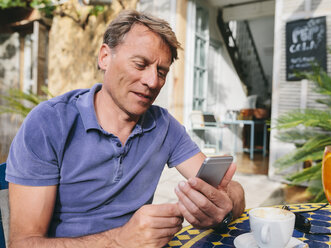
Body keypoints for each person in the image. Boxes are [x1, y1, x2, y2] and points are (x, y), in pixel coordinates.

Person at [6, 9, 245, 248]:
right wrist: (118, 240)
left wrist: (225, 204)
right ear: (105, 57)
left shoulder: (163, 125)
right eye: (140, 64)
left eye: (161, 72)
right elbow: (22, 243)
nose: (152, 82)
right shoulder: (48, 123)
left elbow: (233, 191)